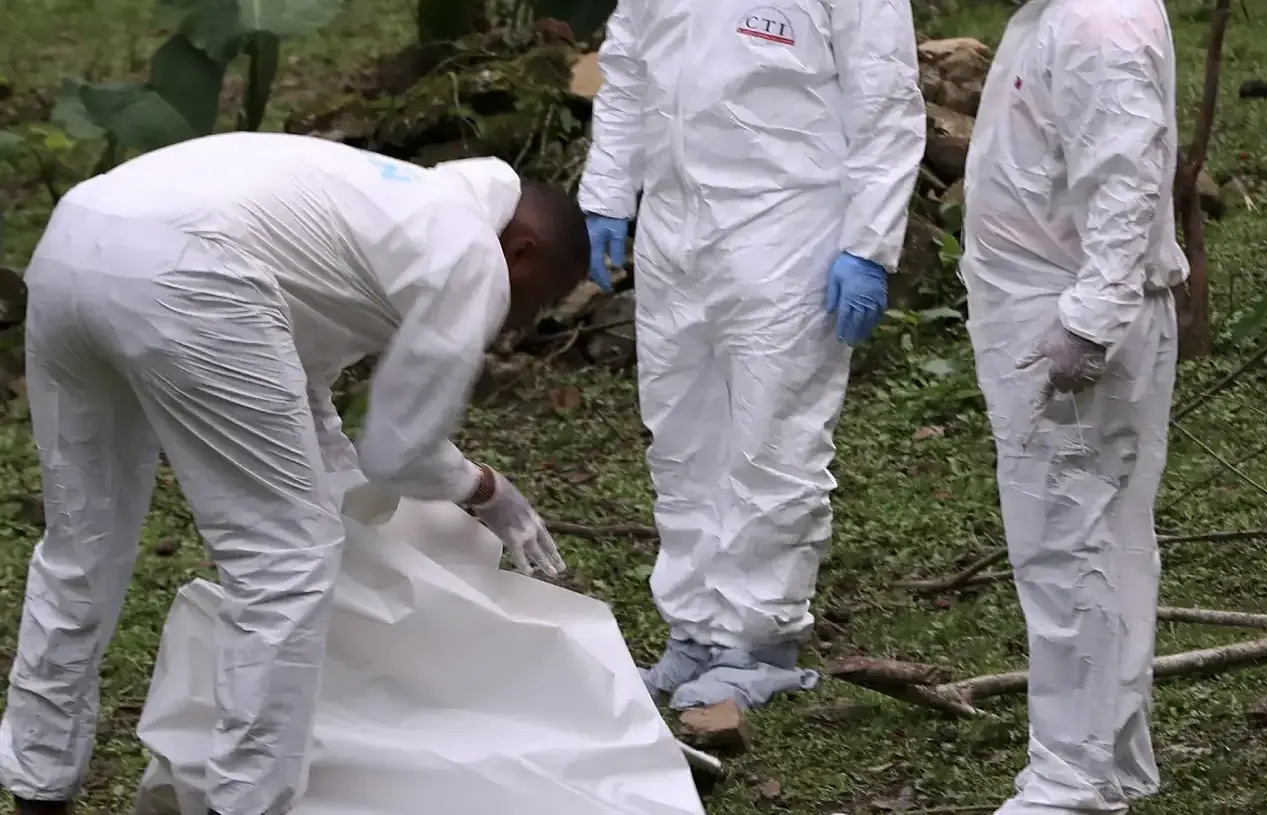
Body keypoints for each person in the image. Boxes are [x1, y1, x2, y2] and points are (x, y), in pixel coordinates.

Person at [1, 131, 588, 815]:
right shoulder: (473, 260)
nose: (528, 321)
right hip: (188, 270)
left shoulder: (401, 204)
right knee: (285, 560)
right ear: (524, 253)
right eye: (544, 299)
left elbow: (295, 381)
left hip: (75, 241)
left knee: (82, 543)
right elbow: (399, 450)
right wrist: (485, 490)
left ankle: (39, 785)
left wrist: (350, 499)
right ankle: (246, 804)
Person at [578, 2, 926, 710]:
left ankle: (759, 637)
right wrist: (610, 189)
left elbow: (885, 98)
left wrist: (867, 245)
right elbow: (626, 64)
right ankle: (696, 629)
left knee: (774, 438)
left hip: (788, 223)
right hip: (675, 223)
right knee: (680, 439)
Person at [959, 1, 1185, 813]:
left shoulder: (1096, 22)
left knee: (1069, 549)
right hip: (1052, 307)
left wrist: (1089, 322)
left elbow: (1123, 177)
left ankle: (1071, 777)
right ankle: (1108, 757)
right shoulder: (1057, 15)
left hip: (1070, 324)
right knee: (1100, 538)